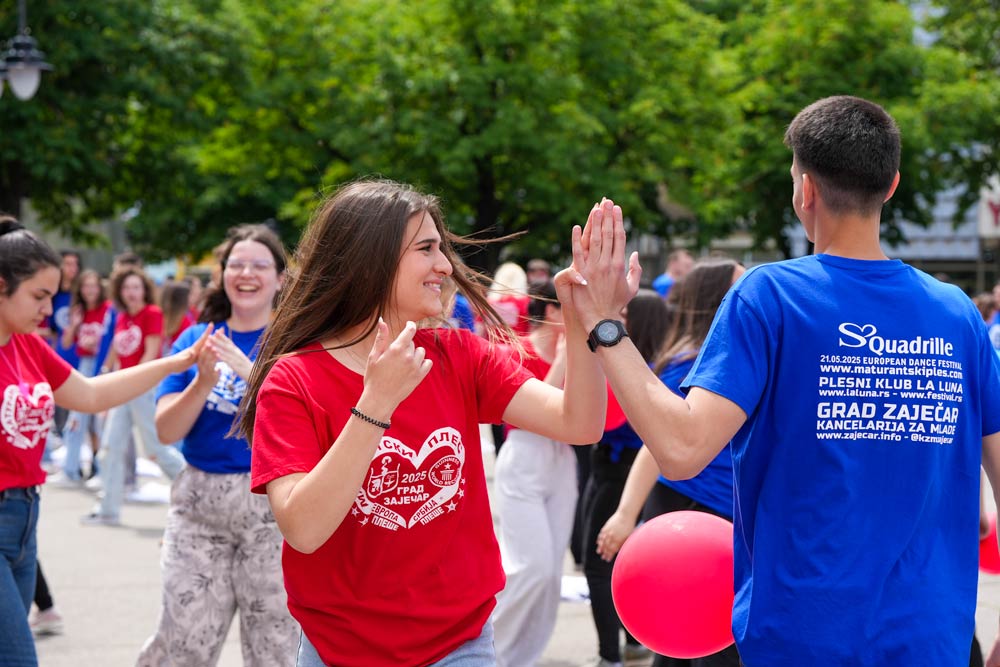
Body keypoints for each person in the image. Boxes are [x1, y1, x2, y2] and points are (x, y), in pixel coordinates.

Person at [561, 96, 1000, 666]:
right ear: (891, 186)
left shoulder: (770, 297)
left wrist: (605, 325)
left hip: (801, 637)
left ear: (804, 190)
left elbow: (682, 448)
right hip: (933, 640)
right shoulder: (957, 314)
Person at [241, 179, 607, 667]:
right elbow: (303, 529)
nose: (445, 265)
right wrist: (376, 404)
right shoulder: (294, 380)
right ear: (369, 260)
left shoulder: (461, 356)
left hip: (459, 645)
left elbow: (579, 422)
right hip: (337, 650)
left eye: (441, 248)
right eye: (426, 249)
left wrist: (585, 322)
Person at [0, 216, 207, 667]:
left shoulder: (27, 346)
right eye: (39, 295)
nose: (48, 309)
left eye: (51, 296)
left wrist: (173, 364)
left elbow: (92, 394)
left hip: (25, 520)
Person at [137, 224, 298, 666]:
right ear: (222, 274)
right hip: (199, 505)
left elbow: (305, 423)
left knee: (276, 646)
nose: (246, 274)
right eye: (236, 265)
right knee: (183, 639)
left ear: (280, 278)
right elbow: (166, 431)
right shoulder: (195, 340)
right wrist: (202, 382)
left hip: (273, 507)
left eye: (258, 265)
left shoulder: (295, 343)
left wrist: (249, 371)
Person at [595, 259, 744, 667]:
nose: (752, 290)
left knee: (703, 635)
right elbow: (657, 445)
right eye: (740, 284)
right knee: (685, 632)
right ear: (717, 299)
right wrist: (625, 515)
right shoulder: (694, 364)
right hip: (688, 505)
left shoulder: (729, 357)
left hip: (725, 509)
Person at [579, 289, 671, 667]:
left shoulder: (641, 371)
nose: (619, 319)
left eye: (626, 314)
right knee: (621, 563)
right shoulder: (653, 367)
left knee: (599, 564)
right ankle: (631, 643)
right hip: (614, 469)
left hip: (619, 472)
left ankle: (610, 656)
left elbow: (604, 421)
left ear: (641, 321)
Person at [492, 279, 573, 667]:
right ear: (553, 311)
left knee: (552, 574)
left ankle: (524, 657)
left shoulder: (578, 352)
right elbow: (535, 412)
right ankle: (488, 650)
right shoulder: (516, 351)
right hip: (524, 453)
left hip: (563, 456)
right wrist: (564, 360)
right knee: (532, 568)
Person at [83, 267, 187, 525]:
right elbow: (116, 351)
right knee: (110, 448)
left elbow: (151, 353)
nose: (131, 292)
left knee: (157, 449)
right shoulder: (122, 317)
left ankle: (196, 492)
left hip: (143, 388)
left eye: (136, 287)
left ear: (144, 290)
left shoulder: (152, 313)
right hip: (124, 389)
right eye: (126, 287)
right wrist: (106, 376)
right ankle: (108, 510)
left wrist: (128, 383)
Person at [55, 269, 115, 483]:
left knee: (98, 424)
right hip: (83, 365)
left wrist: (103, 360)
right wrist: (75, 324)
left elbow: (113, 342)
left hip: (101, 366)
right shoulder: (78, 311)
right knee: (77, 421)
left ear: (100, 288)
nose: (90, 290)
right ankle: (71, 470)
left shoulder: (108, 310)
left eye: (94, 286)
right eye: (86, 286)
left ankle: (100, 471)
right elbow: (66, 343)